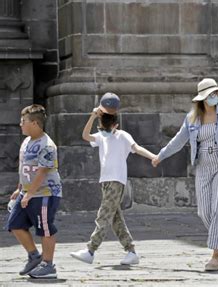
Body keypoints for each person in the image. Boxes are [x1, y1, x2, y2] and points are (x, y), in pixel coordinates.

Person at [152, 78, 218, 271]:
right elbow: (178, 141)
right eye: (209, 94)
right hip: (203, 166)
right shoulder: (192, 118)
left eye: (216, 93)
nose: (213, 97)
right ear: (202, 98)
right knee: (203, 211)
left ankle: (215, 257)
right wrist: (160, 156)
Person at [70, 92, 157, 265]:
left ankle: (90, 250)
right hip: (106, 182)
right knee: (116, 219)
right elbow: (85, 136)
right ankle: (131, 252)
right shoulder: (101, 137)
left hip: (116, 181)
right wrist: (93, 116)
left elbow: (137, 148)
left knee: (103, 215)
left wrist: (153, 156)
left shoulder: (122, 135)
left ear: (116, 124)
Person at [6, 104, 62, 279]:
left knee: (45, 228)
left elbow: (42, 172)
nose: (20, 124)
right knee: (14, 224)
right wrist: (20, 189)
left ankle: (48, 264)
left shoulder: (47, 145)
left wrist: (30, 193)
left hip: (45, 194)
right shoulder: (27, 141)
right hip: (28, 192)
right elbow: (25, 168)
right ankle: (34, 256)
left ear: (36, 123)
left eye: (24, 121)